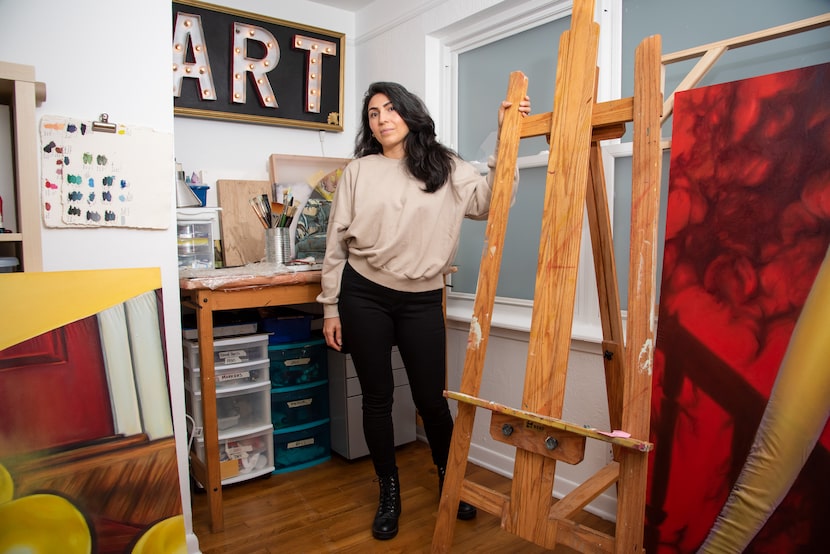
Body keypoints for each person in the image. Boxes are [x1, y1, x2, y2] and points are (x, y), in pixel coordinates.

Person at [317, 81, 530, 541]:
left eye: (391, 109)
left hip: (421, 298)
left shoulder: (446, 166)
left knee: (432, 400)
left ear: (411, 113)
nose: (382, 119)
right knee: (377, 398)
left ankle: (450, 480)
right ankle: (388, 492)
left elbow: (493, 203)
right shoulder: (359, 171)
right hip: (363, 292)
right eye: (373, 113)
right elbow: (336, 243)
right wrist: (331, 306)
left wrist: (503, 136)